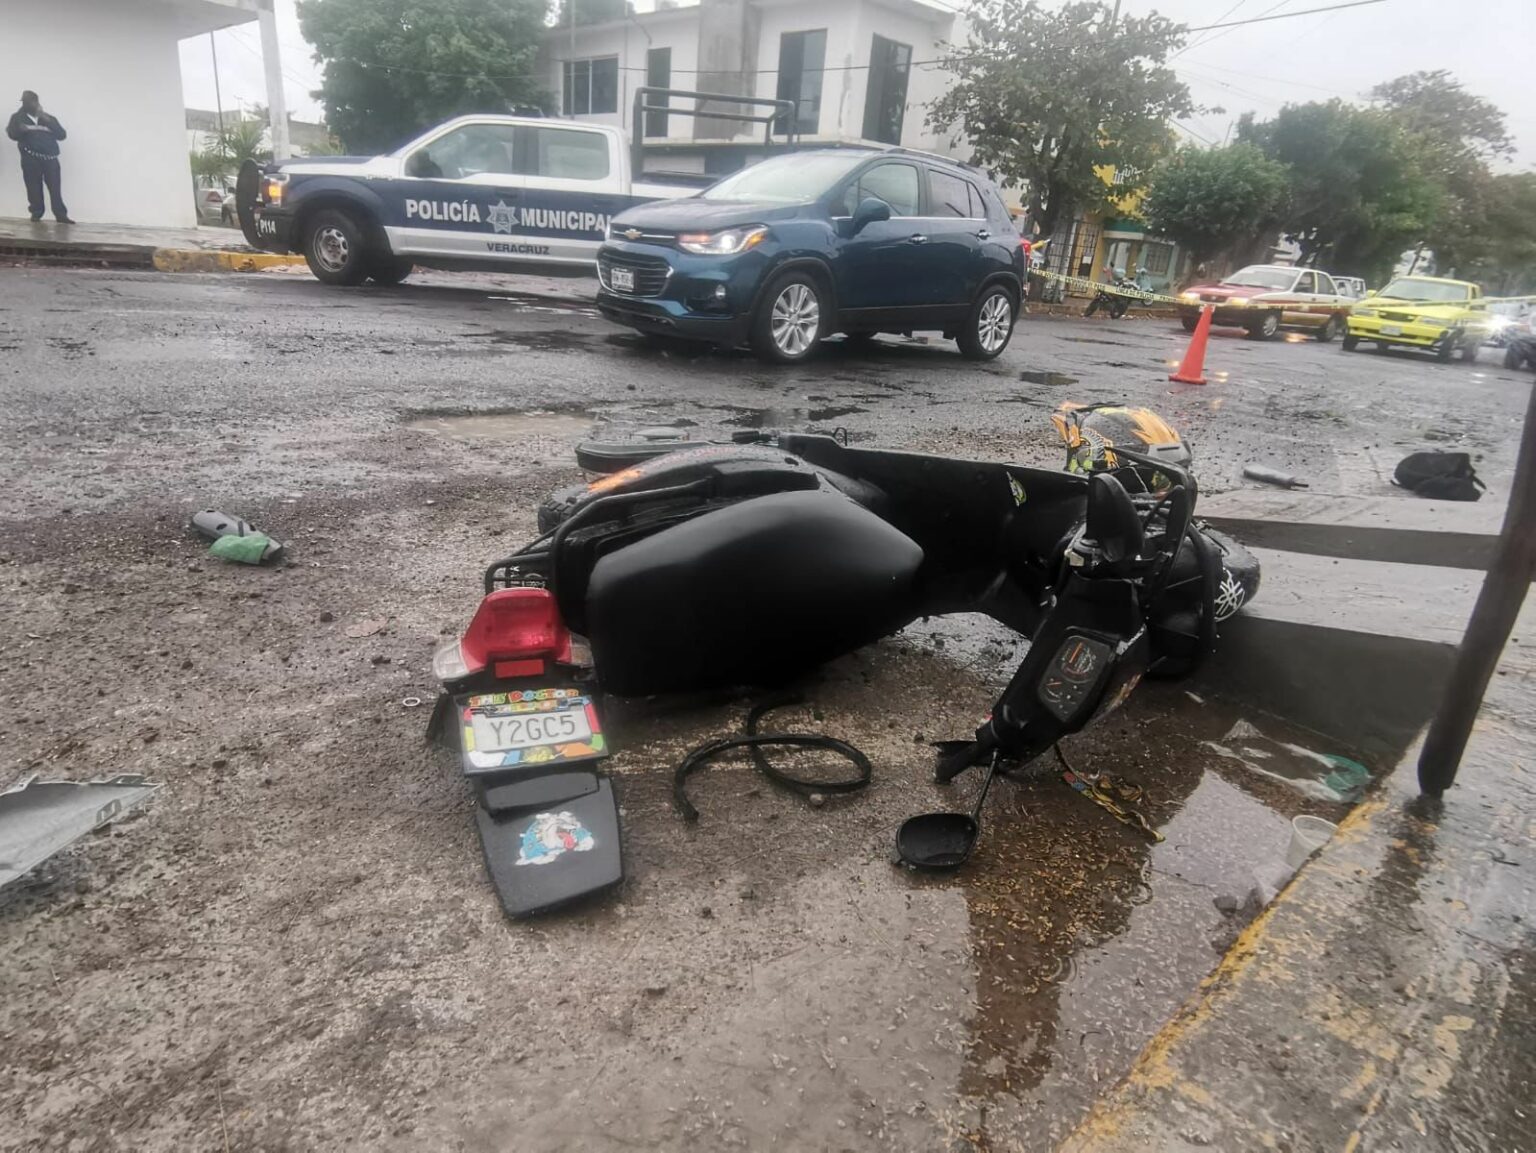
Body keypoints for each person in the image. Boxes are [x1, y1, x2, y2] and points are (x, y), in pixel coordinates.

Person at [6, 91, 72, 223]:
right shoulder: (17, 118)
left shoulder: (48, 118)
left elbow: (62, 135)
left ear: (37, 101)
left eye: (33, 101)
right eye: (27, 101)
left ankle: (61, 215)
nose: (31, 104)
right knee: (33, 186)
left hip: (51, 158)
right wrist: (20, 130)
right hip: (30, 158)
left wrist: (48, 121)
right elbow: (12, 134)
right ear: (23, 103)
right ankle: (36, 213)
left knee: (55, 187)